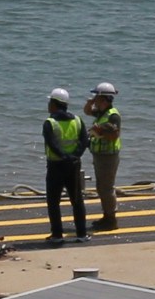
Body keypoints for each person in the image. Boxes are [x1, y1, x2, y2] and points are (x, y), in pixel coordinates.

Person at [40, 87, 89, 244]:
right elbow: (84, 141)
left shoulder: (50, 123)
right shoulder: (77, 120)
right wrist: (74, 156)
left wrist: (64, 156)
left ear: (54, 104)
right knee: (77, 200)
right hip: (74, 165)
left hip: (56, 166)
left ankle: (57, 235)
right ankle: (81, 233)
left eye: (50, 102)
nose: (48, 105)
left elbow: (52, 144)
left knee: (53, 201)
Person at [84, 83, 122, 229]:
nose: (96, 101)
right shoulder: (101, 112)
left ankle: (111, 219)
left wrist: (99, 132)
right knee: (101, 187)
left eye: (98, 98)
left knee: (106, 187)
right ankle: (106, 216)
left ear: (104, 100)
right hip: (100, 155)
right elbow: (87, 111)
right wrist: (91, 101)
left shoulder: (113, 115)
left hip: (108, 156)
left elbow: (114, 135)